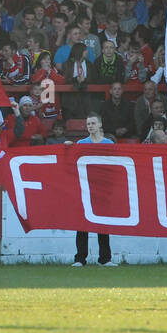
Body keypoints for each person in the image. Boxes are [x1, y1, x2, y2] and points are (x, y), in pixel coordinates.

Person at [65, 113, 117, 266]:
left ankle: (105, 259)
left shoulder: (109, 144)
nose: (90, 126)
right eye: (88, 124)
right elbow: (70, 162)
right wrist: (68, 148)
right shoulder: (81, 144)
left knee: (102, 224)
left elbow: (115, 165)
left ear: (100, 124)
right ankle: (80, 259)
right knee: (82, 224)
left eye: (93, 123)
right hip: (85, 189)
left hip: (102, 189)